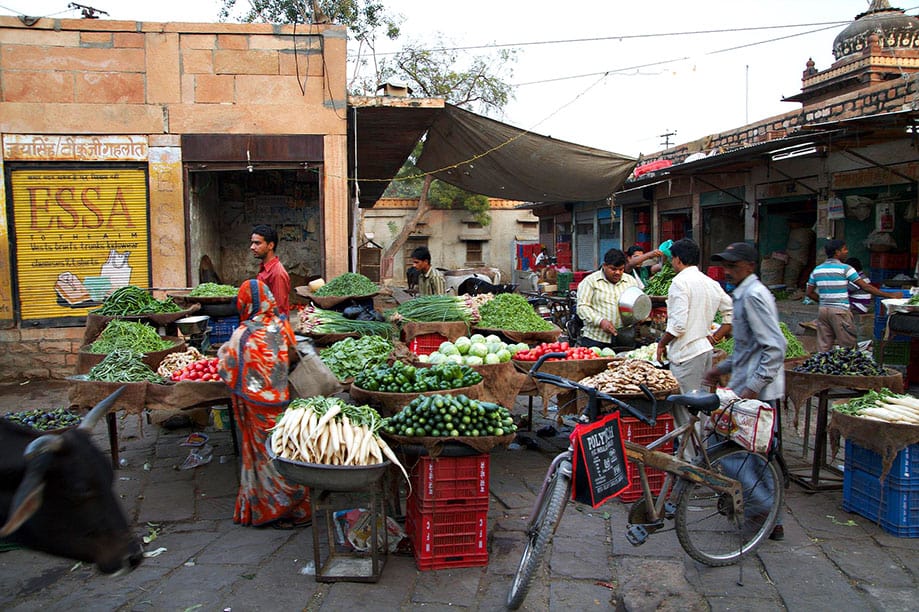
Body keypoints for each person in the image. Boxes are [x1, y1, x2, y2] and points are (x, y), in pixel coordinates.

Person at [702, 241, 786, 541]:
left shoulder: (753, 296)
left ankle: (762, 509)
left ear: (749, 267)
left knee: (730, 452)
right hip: (746, 386)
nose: (728, 270)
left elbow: (775, 348)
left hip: (759, 392)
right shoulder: (742, 294)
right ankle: (768, 517)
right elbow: (748, 348)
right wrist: (720, 370)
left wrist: (751, 388)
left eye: (733, 265)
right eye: (726, 265)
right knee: (747, 454)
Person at [217, 279, 311, 529]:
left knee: (265, 459)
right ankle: (299, 506)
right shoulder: (282, 325)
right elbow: (291, 353)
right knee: (284, 450)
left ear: (246, 303)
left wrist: (222, 355)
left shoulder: (243, 333)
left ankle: (277, 509)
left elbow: (227, 369)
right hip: (281, 401)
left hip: (257, 406)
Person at [656, 239, 732, 427]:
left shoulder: (679, 283)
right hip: (705, 351)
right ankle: (701, 450)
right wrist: (714, 338)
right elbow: (730, 314)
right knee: (701, 408)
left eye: (672, 259)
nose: (672, 263)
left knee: (685, 410)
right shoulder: (710, 282)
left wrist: (662, 343)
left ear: (679, 260)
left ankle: (688, 456)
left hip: (687, 354)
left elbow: (678, 326)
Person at [805, 240, 899, 352]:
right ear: (837, 252)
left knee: (824, 348)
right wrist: (889, 295)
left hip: (823, 311)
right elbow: (866, 287)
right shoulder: (846, 269)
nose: (847, 251)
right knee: (849, 348)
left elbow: (809, 293)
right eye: (844, 249)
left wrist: (824, 301)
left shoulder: (817, 270)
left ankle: (820, 368)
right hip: (840, 311)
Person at [575, 248, 640, 351]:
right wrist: (600, 321)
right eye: (613, 269)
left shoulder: (630, 281)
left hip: (623, 339)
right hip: (596, 339)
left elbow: (637, 302)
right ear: (604, 266)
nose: (618, 273)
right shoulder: (590, 282)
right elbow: (582, 307)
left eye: (621, 269)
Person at [251, 224, 290, 318]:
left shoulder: (277, 273)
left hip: (273, 328)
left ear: (270, 245)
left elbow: (279, 310)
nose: (252, 247)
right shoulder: (265, 268)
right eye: (252, 243)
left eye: (257, 243)